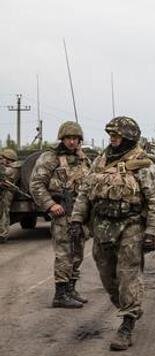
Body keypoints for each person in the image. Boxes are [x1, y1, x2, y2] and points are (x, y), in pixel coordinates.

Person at [69, 116, 155, 351]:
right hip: (101, 227)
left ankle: (127, 323)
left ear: (129, 136)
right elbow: (84, 192)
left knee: (127, 276)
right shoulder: (100, 161)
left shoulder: (144, 165)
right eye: (111, 135)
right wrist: (76, 219)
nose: (113, 139)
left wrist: (151, 232)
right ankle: (129, 306)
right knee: (106, 276)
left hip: (130, 226)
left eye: (117, 135)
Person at [30, 122, 91, 308]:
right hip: (62, 211)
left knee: (78, 252)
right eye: (68, 138)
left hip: (79, 213)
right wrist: (50, 205)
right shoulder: (50, 158)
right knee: (64, 252)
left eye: (75, 139)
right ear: (62, 139)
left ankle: (71, 288)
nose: (72, 142)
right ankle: (60, 294)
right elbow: (36, 184)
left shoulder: (82, 158)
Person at [0, 149, 21, 243]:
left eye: (3, 158)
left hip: (7, 192)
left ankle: (2, 234)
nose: (2, 160)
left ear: (9, 159)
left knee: (4, 212)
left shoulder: (15, 167)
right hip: (3, 191)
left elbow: (5, 172)